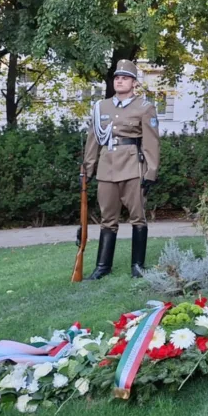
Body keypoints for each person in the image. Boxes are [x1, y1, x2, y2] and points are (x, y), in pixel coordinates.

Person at [82, 60, 160, 279]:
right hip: (106, 168)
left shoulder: (144, 107)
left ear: (134, 82)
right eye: (117, 78)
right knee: (107, 218)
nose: (119, 81)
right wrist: (88, 170)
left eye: (125, 78)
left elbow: (151, 142)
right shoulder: (101, 107)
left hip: (133, 167)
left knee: (138, 217)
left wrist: (151, 171)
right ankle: (102, 267)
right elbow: (93, 140)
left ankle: (137, 266)